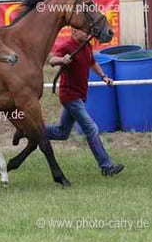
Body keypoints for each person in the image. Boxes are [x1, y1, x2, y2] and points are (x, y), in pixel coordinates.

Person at [43, 28, 124, 176]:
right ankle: (107, 167)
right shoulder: (67, 46)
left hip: (80, 95)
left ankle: (32, 130)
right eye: (84, 31)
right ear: (74, 32)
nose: (87, 33)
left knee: (62, 133)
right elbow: (52, 60)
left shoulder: (86, 45)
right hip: (70, 96)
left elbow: (92, 62)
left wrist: (103, 76)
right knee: (91, 128)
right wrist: (62, 60)